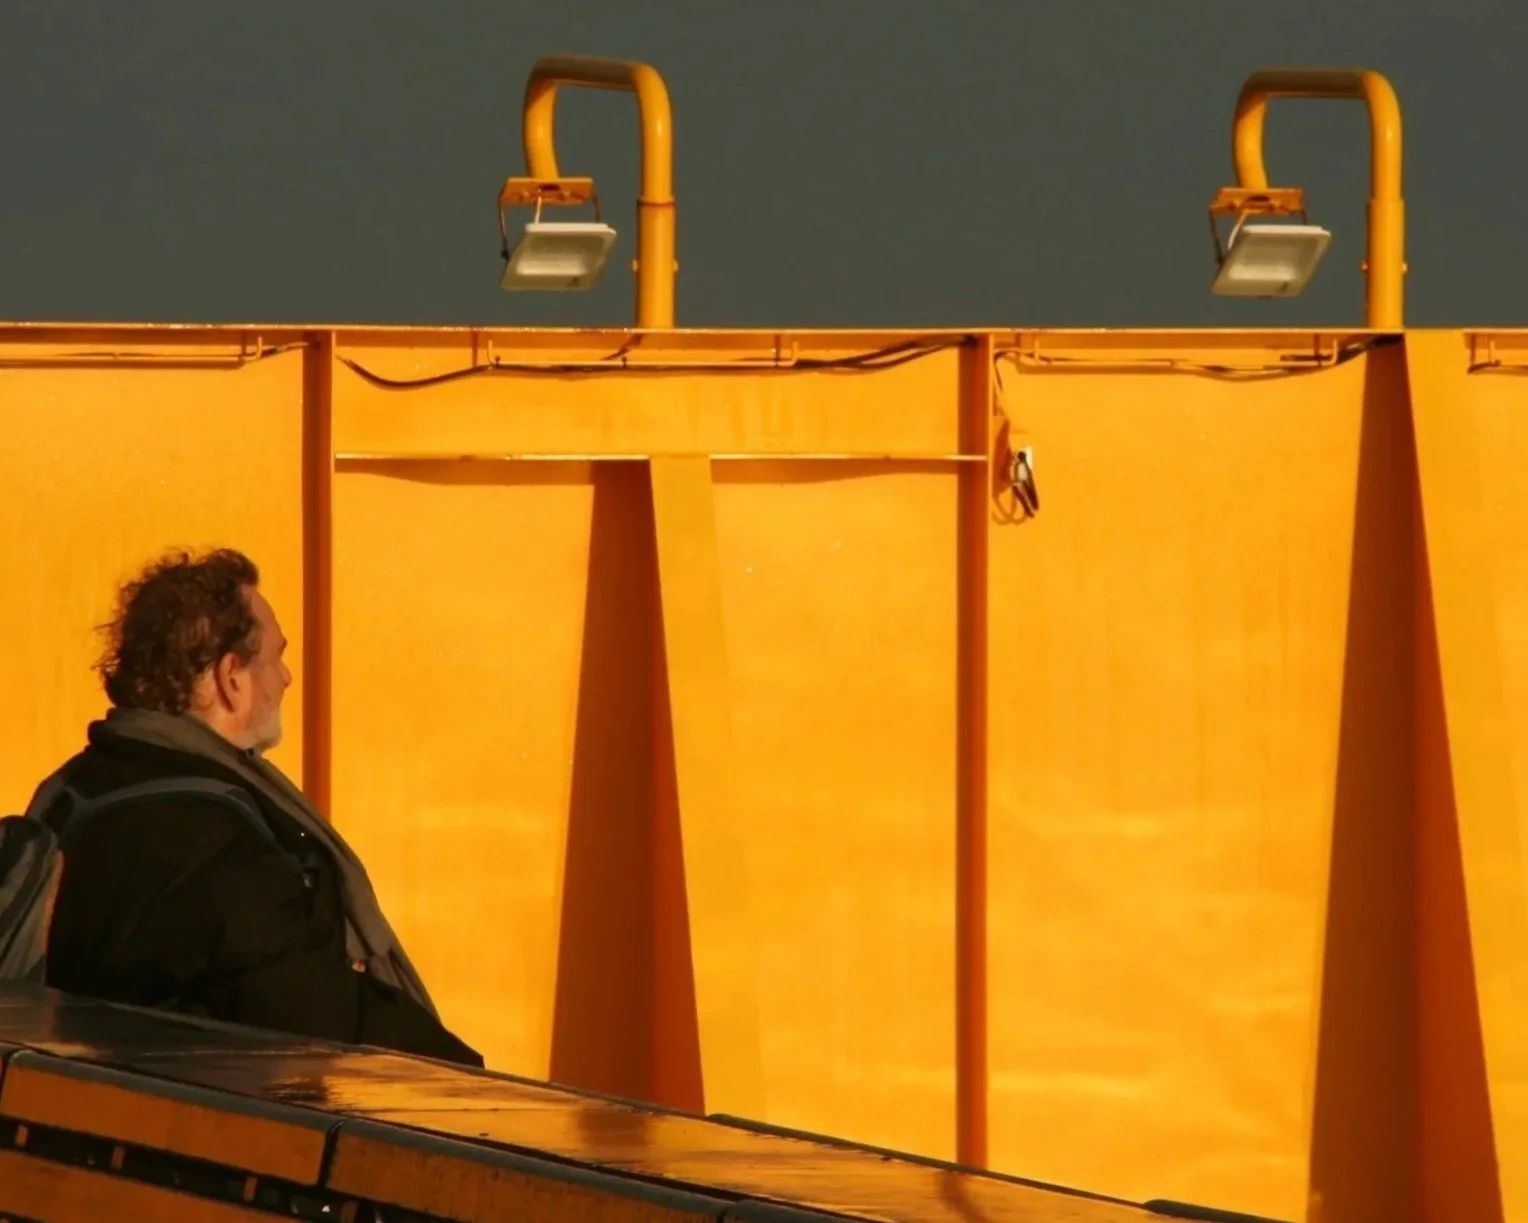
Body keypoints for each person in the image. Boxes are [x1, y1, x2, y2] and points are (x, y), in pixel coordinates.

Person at [31, 547, 482, 1067]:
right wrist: (468, 1076)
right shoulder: (210, 838)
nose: (286, 676)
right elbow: (314, 1010)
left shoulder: (69, 793)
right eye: (276, 657)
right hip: (194, 1108)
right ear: (232, 677)